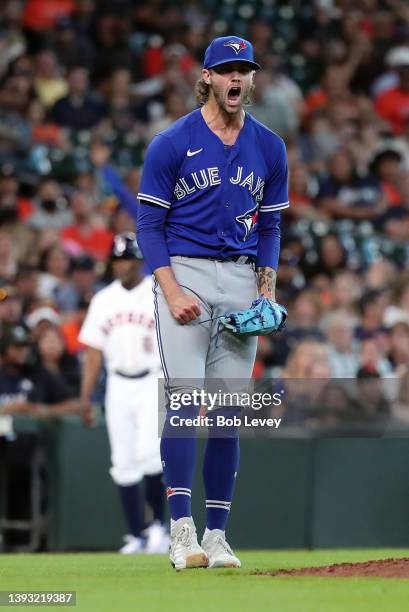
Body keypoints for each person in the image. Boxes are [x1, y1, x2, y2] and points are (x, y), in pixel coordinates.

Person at [137, 36, 288, 570]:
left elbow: (269, 225)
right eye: (226, 70)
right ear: (206, 77)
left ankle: (217, 534)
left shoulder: (270, 146)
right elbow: (149, 225)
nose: (236, 79)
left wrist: (266, 287)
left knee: (227, 414)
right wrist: (172, 290)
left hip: (243, 280)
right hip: (187, 273)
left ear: (251, 79)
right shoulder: (172, 141)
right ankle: (181, 531)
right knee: (182, 404)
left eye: (244, 70)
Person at [79, 233, 168, 555]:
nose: (122, 265)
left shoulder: (157, 292)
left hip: (152, 380)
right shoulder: (103, 300)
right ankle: (135, 535)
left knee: (150, 454)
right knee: (123, 462)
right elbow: (92, 352)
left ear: (139, 260)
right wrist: (85, 397)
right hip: (117, 383)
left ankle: (159, 527)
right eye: (117, 260)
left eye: (127, 259)